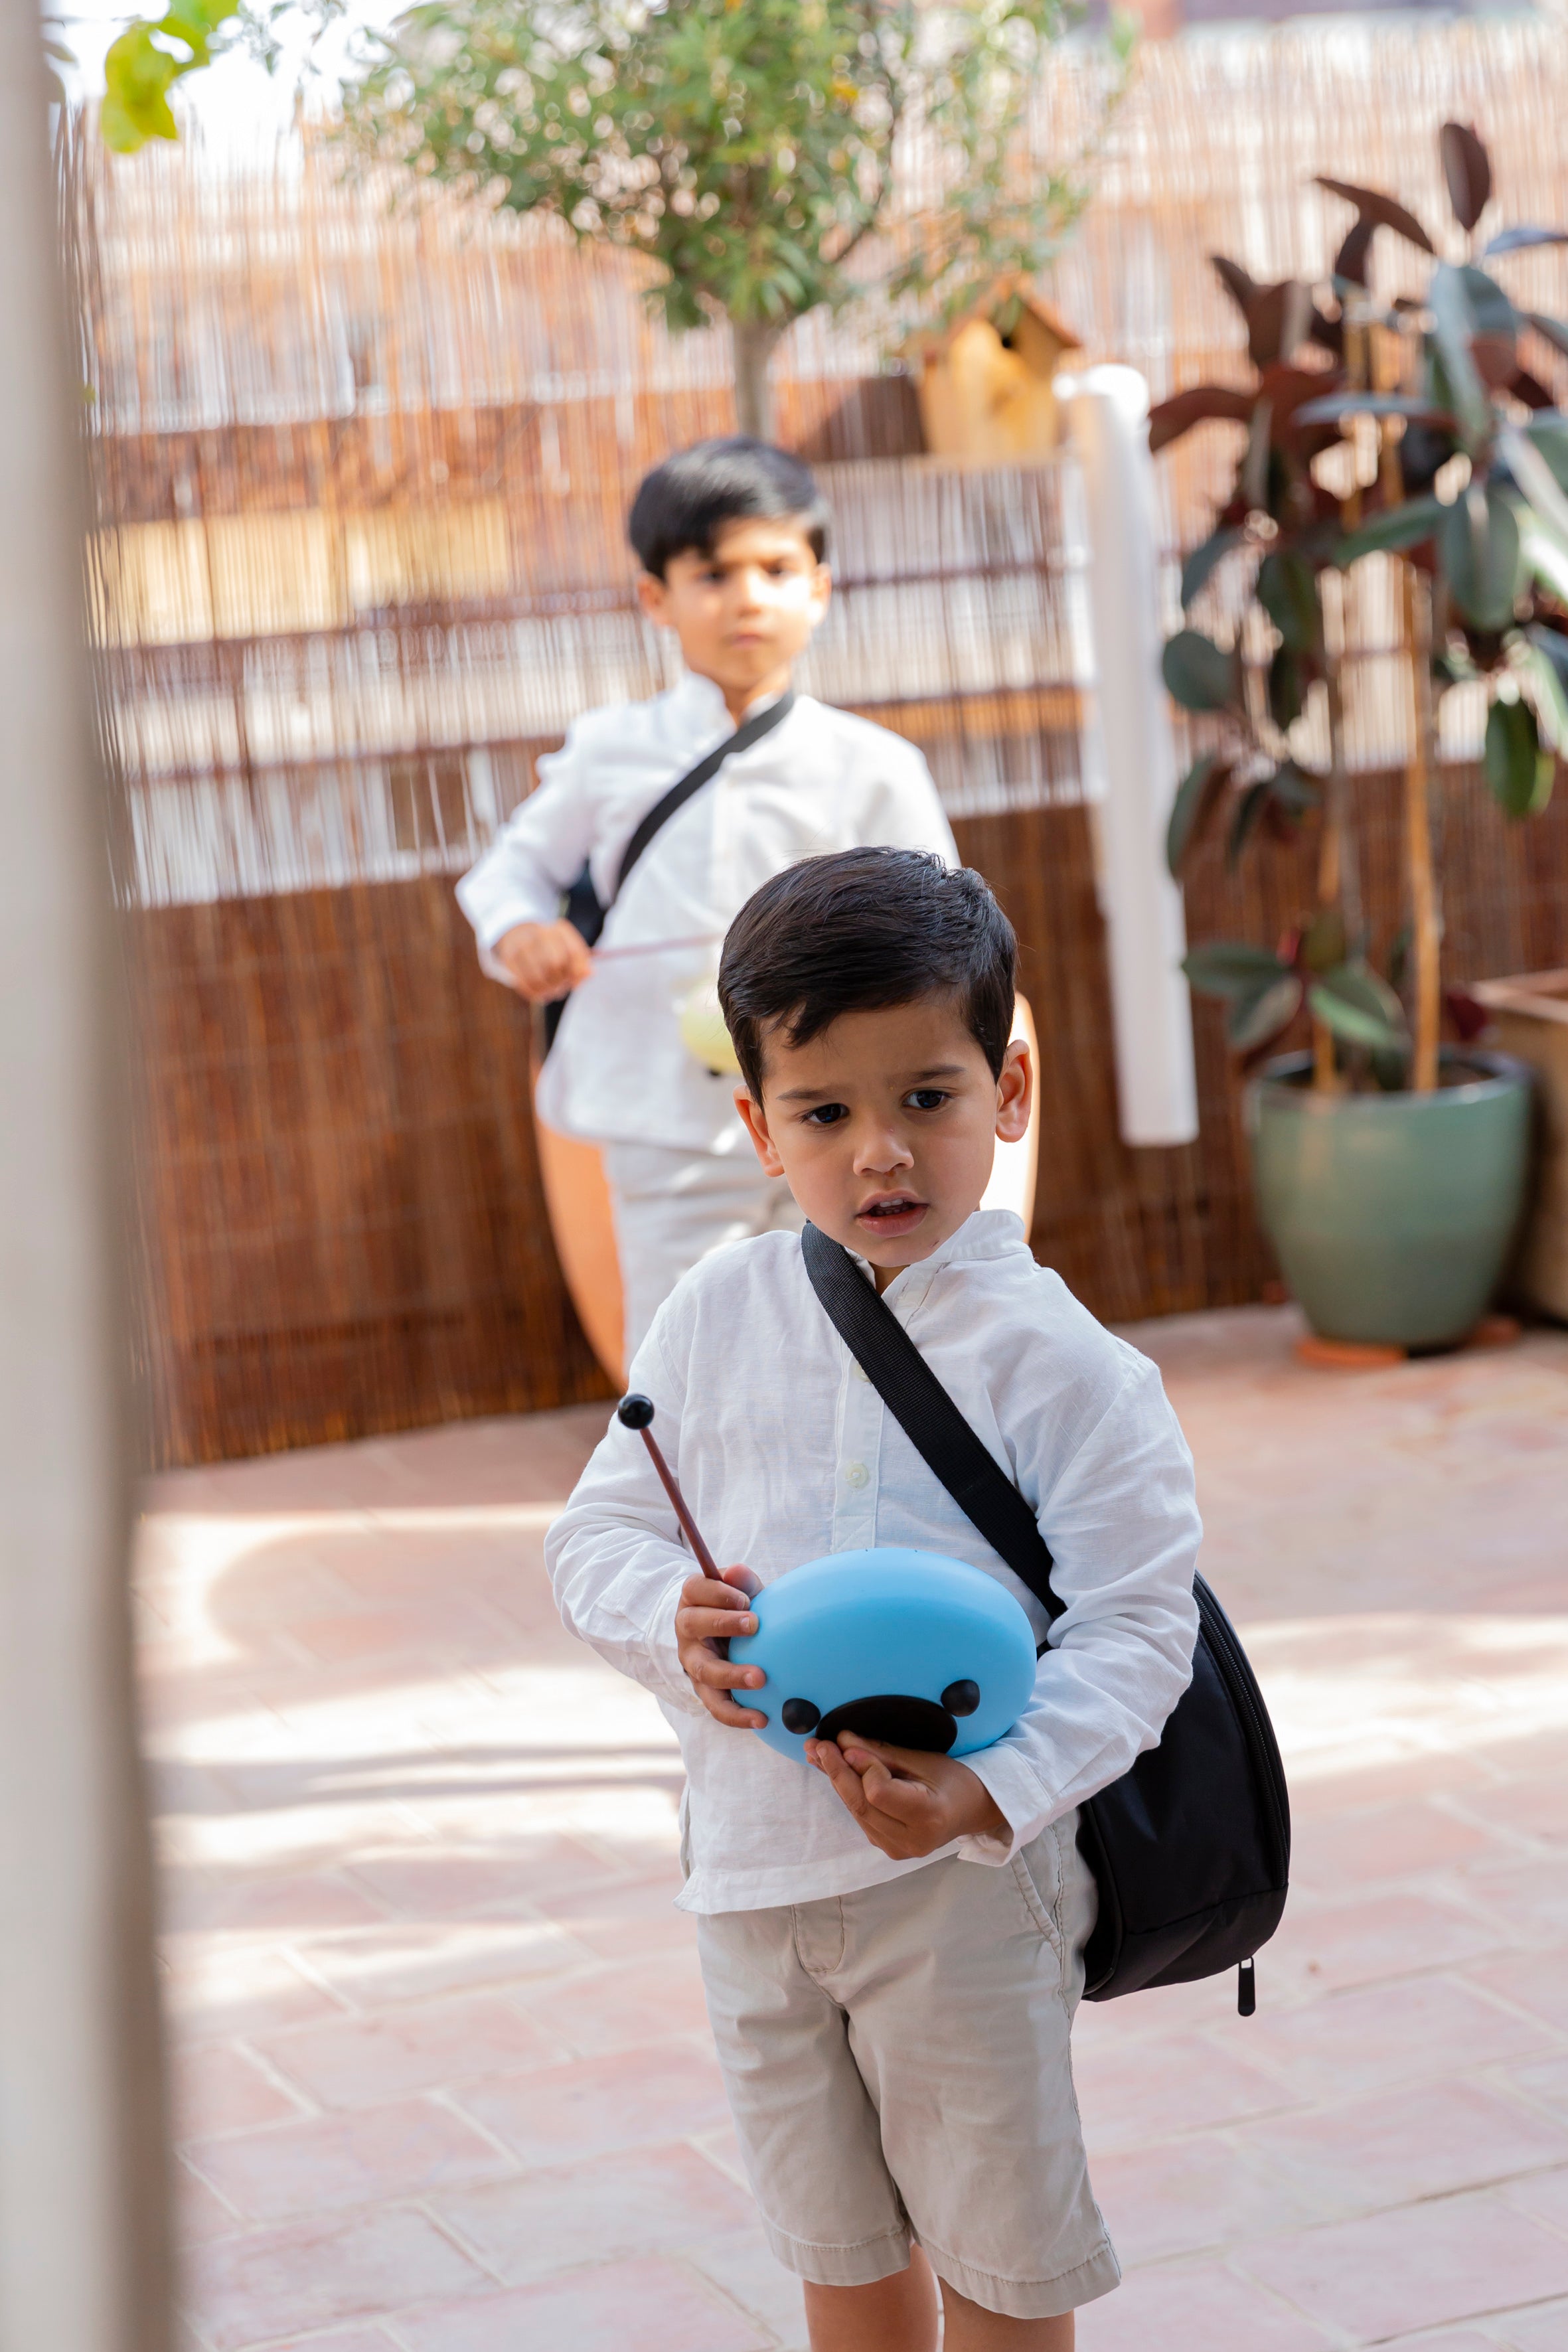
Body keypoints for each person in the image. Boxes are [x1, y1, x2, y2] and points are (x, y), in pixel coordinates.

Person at [547, 848, 1202, 2351]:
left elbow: (1136, 1628)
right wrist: (669, 1618)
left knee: (1000, 2272)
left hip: (965, 1896)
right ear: (756, 1128)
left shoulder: (1074, 1370)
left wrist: (987, 1793)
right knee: (840, 2265)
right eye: (823, 1112)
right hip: (753, 1886)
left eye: (926, 1095)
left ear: (1009, 1087)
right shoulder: (716, 1309)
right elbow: (595, 1528)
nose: (879, 1153)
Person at [457, 438, 957, 1361]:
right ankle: (701, 1504)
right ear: (656, 598)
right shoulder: (610, 753)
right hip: (666, 1117)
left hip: (849, 1115)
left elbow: (944, 930)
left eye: (775, 568)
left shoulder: (874, 766)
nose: (747, 596)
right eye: (714, 573)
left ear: (820, 586)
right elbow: (505, 875)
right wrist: (521, 931)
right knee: (686, 1343)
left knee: (877, 1337)